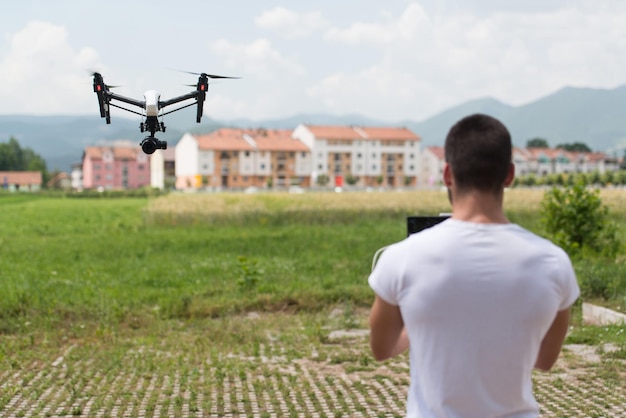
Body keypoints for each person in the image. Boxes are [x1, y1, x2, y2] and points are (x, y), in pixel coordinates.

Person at [368, 113, 580, 418]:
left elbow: (381, 349)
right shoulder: (553, 263)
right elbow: (545, 359)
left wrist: (421, 323)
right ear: (509, 174)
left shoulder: (402, 258)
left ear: (447, 175)